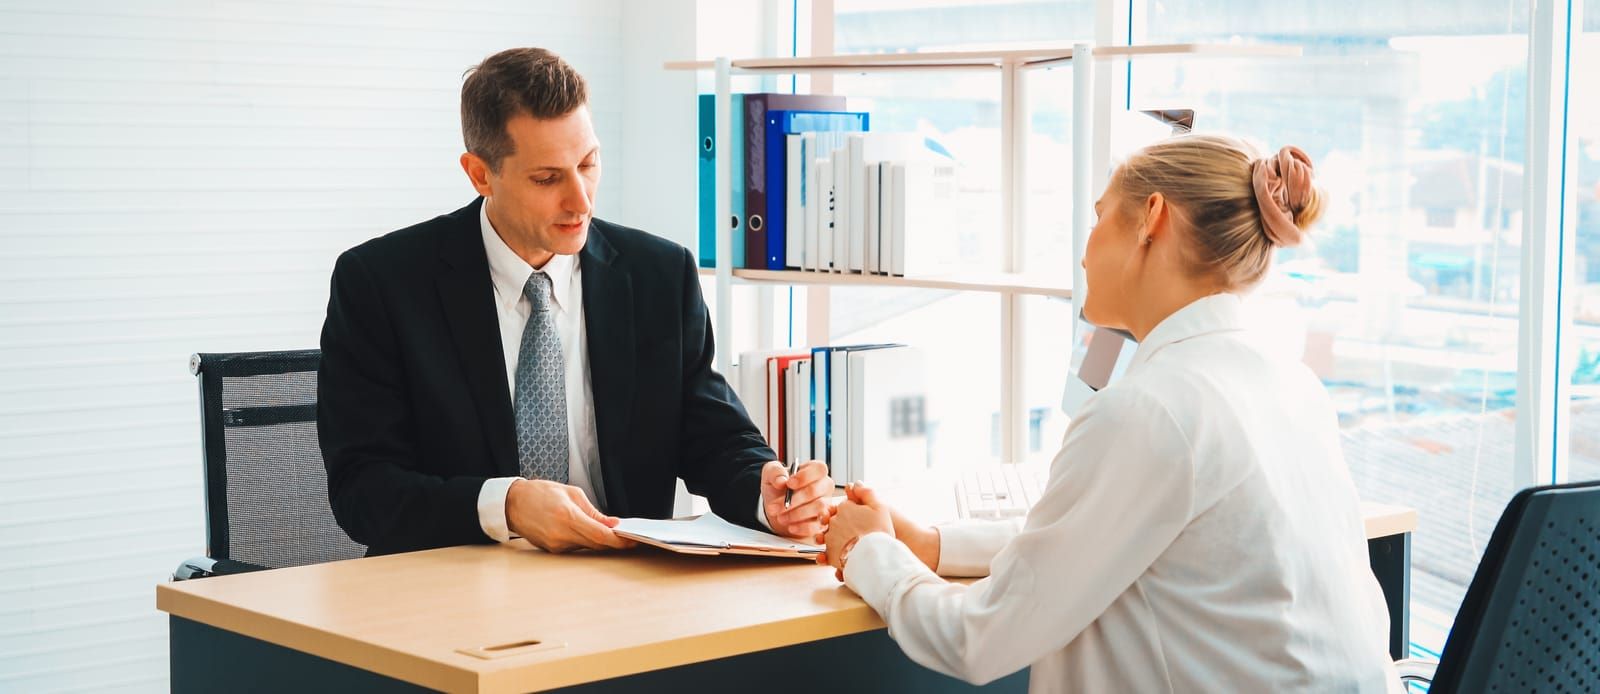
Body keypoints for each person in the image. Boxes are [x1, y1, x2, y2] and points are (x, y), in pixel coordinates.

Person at [818, 134, 1403, 692]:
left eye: (1099, 217)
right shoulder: (1289, 381)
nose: (1084, 249)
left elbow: (978, 640)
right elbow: (1103, 541)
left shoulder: (1149, 410)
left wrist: (867, 553)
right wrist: (932, 546)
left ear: (1152, 217)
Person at [317, 47, 832, 557]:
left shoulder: (658, 275)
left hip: (623, 588)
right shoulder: (382, 284)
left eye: (588, 164)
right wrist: (508, 504)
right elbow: (364, 490)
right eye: (547, 178)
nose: (581, 201)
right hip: (451, 592)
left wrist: (765, 497)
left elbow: (715, 438)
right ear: (479, 174)